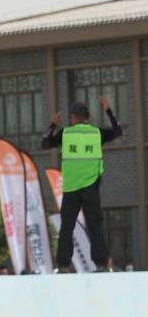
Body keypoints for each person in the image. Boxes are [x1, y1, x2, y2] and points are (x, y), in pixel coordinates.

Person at [41, 96, 122, 271]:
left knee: (67, 227)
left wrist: (53, 124)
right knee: (95, 225)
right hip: (91, 187)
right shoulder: (97, 133)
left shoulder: (65, 134)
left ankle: (64, 265)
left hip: (71, 188)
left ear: (73, 117)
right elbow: (118, 131)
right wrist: (108, 111)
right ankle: (101, 264)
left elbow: (45, 143)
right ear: (88, 117)